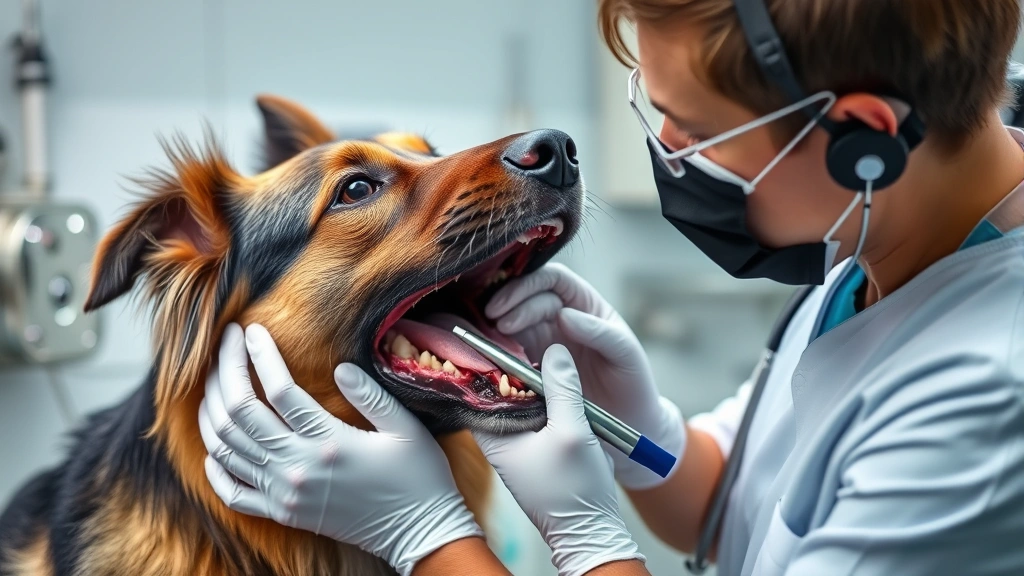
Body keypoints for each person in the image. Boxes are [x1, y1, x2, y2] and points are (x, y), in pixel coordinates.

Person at [199, 0, 1024, 574]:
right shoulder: (880, 232)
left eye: (698, 128)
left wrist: (429, 537)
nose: (668, 144)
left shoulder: (986, 395)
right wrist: (642, 428)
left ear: (864, 140)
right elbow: (729, 507)